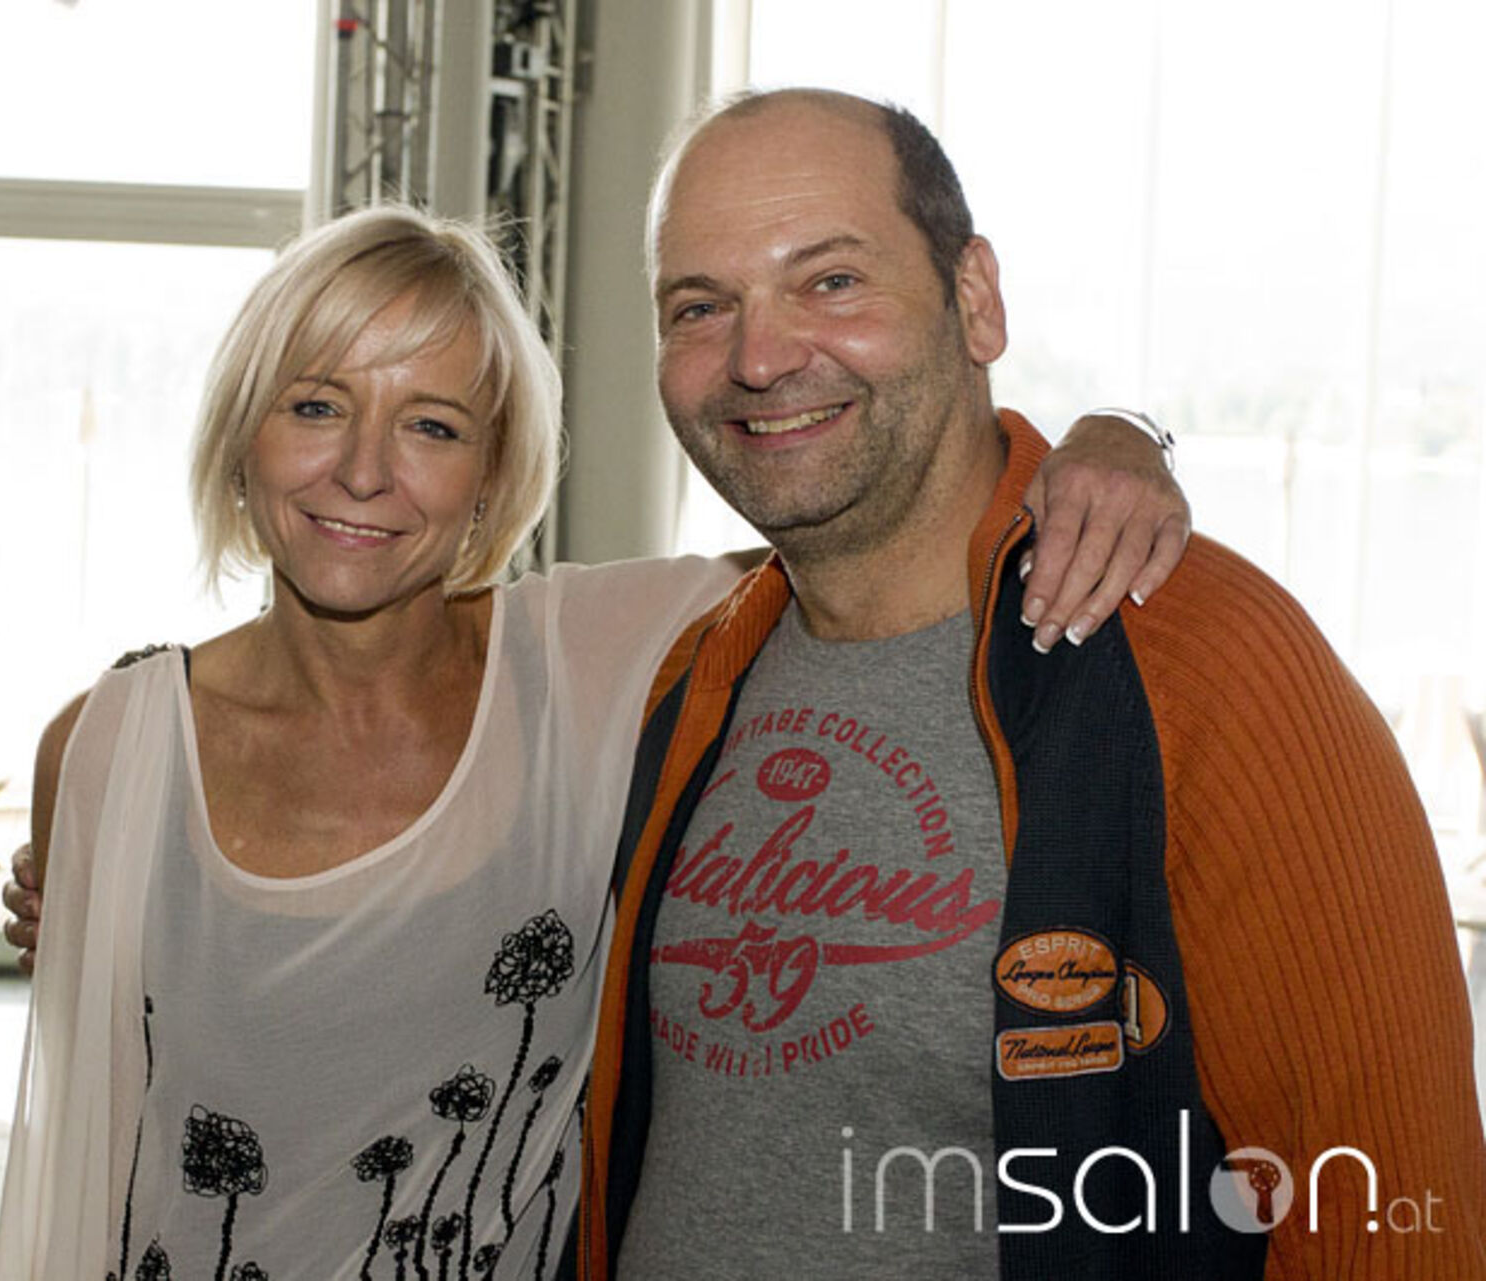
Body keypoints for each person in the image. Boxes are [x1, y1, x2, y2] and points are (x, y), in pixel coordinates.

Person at [0, 203, 1189, 1281]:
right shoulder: (114, 749)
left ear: (492, 475)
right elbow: (83, 1163)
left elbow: (894, 522)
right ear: (240, 439)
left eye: (432, 426)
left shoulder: (596, 658)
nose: (362, 471)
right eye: (315, 406)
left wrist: (1120, 437)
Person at [577, 89, 1486, 1279]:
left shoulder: (1212, 663)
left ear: (975, 299)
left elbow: (1390, 1213)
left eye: (832, 281)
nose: (758, 358)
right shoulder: (691, 673)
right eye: (701, 307)